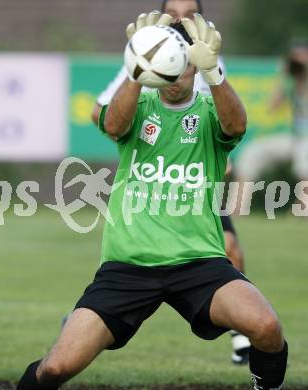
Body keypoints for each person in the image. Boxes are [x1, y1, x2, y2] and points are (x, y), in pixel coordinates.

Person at [17, 13, 288, 390]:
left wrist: (216, 74)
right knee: (56, 368)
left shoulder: (209, 110)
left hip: (199, 262)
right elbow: (112, 126)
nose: (174, 76)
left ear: (195, 63)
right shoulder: (139, 105)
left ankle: (266, 385)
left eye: (182, 66)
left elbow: (237, 126)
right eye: (166, 67)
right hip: (128, 266)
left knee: (267, 327)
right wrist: (136, 66)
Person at [92, 0, 250, 365]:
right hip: (156, 177)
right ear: (163, 12)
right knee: (135, 249)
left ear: (200, 15)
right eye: (174, 11)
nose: (181, 18)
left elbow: (231, 120)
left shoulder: (206, 51)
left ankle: (241, 333)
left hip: (200, 174)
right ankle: (90, 316)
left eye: (189, 11)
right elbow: (102, 113)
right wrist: (135, 78)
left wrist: (219, 155)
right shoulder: (147, 50)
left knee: (230, 247)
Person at [236, 41, 308, 189]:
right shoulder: (290, 82)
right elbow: (273, 107)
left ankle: (304, 206)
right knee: (252, 151)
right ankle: (238, 206)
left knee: (304, 156)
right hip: (295, 137)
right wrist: (283, 76)